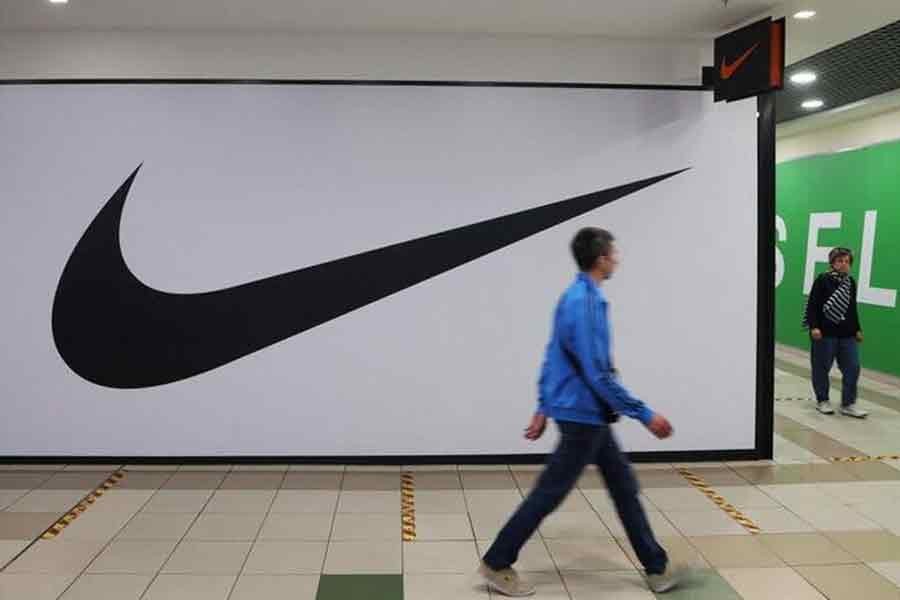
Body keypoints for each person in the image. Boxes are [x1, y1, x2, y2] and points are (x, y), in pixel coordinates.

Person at [477, 227, 685, 597]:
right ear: (601, 258)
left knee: (623, 487)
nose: (617, 259)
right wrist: (644, 414)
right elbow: (598, 373)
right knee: (550, 493)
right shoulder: (585, 303)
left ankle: (656, 565)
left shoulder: (573, 297)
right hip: (583, 416)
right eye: (614, 253)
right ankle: (497, 561)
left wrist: (543, 406)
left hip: (586, 414)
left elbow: (552, 353)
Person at [803, 247, 868, 418]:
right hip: (825, 333)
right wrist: (814, 327)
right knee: (821, 368)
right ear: (832, 263)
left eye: (847, 261)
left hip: (847, 334)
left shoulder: (850, 282)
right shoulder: (823, 280)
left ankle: (848, 403)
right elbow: (813, 305)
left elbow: (852, 308)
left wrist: (857, 329)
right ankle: (822, 400)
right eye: (840, 261)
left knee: (853, 367)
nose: (844, 264)